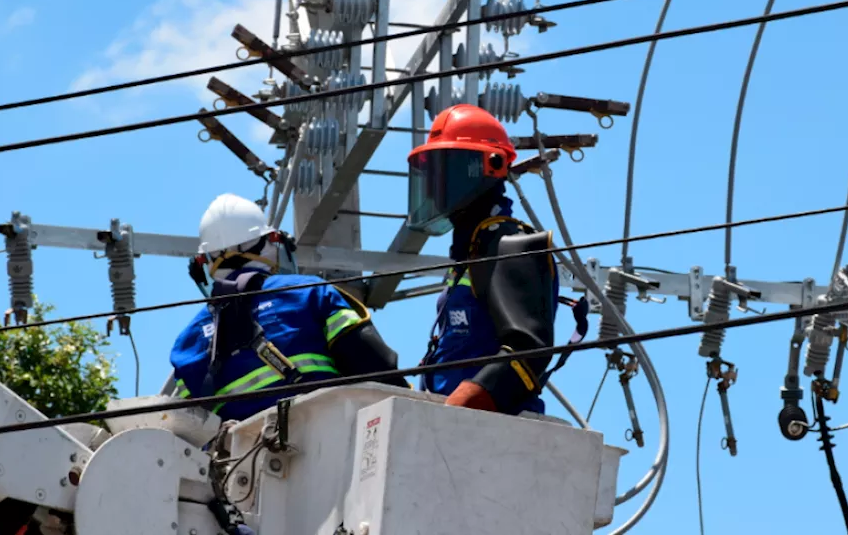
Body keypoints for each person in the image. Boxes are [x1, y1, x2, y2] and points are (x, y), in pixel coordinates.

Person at [170, 193, 406, 421]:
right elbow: (376, 367)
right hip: (328, 439)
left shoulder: (188, 342)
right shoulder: (311, 293)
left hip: (241, 458)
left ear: (204, 264)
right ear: (272, 242)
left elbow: (185, 431)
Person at [407, 104, 566, 415]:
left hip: (493, 433)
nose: (434, 185)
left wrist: (458, 409)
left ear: (487, 166)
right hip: (452, 430)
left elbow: (530, 349)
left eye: (445, 168)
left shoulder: (509, 245)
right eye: (432, 172)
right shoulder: (472, 254)